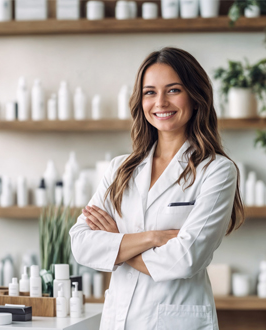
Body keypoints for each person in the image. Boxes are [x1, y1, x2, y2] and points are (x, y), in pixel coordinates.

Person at [69, 47, 244, 330]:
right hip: (118, 319)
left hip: (176, 322)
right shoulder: (120, 168)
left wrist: (117, 242)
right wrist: (151, 238)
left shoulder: (217, 171)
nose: (160, 102)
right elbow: (80, 243)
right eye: (150, 92)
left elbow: (185, 259)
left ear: (196, 97)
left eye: (173, 90)